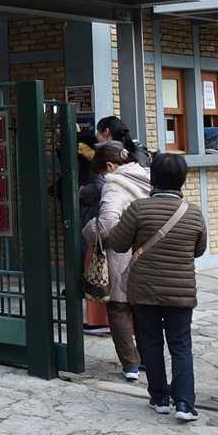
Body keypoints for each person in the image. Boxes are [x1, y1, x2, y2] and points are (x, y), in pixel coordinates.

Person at [105, 152, 207, 422]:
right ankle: (185, 403)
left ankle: (159, 398)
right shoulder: (194, 213)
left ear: (154, 179)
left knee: (151, 342)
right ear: (182, 180)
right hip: (181, 292)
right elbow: (199, 250)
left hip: (144, 290)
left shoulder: (139, 209)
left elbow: (117, 243)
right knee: (181, 345)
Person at [81, 141, 142, 381]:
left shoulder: (115, 185)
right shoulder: (145, 176)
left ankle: (131, 364)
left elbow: (106, 223)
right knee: (142, 310)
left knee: (118, 308)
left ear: (109, 166)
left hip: (122, 254)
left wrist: (89, 229)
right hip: (147, 254)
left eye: (101, 172)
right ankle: (148, 358)